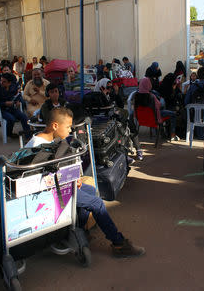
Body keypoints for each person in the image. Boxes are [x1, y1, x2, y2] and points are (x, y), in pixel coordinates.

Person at [24, 107, 145, 257]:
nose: (70, 131)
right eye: (68, 127)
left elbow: (51, 169)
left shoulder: (49, 140)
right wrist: (68, 181)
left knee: (89, 190)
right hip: (45, 194)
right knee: (97, 203)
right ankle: (119, 244)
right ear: (55, 126)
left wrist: (72, 178)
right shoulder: (37, 145)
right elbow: (37, 179)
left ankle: (79, 232)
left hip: (56, 187)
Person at [0, 73, 31, 139]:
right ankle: (9, 133)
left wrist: (18, 101)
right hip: (1, 110)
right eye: (1, 81)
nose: (1, 83)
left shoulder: (13, 87)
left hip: (11, 108)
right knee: (11, 118)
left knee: (24, 117)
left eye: (4, 81)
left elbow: (17, 96)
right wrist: (4, 103)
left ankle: (28, 136)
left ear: (9, 83)